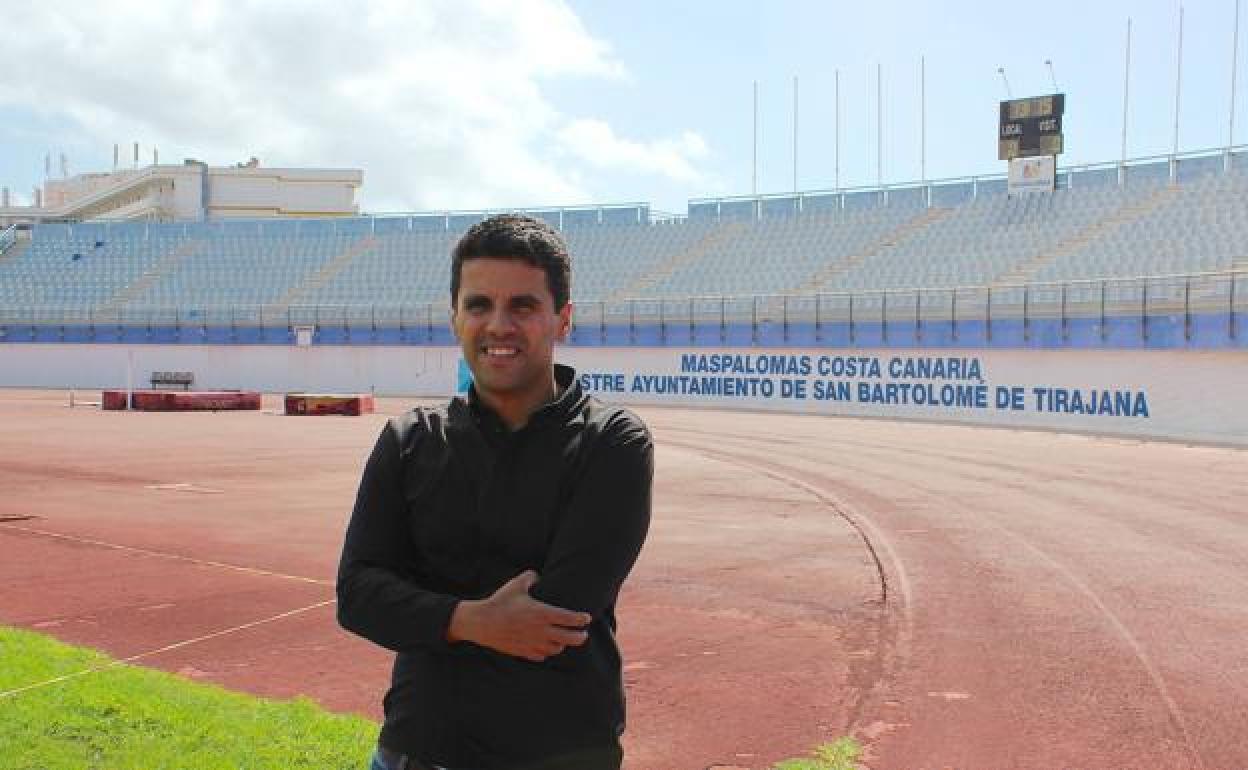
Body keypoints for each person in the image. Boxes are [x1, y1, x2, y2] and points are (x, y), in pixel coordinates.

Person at [337, 214, 654, 770]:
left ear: (563, 320)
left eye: (523, 306)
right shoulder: (410, 439)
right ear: (455, 316)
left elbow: (559, 613)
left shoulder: (614, 442)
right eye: (479, 304)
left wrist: (426, 612)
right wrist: (469, 619)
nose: (498, 325)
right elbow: (358, 595)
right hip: (418, 747)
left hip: (559, 753)